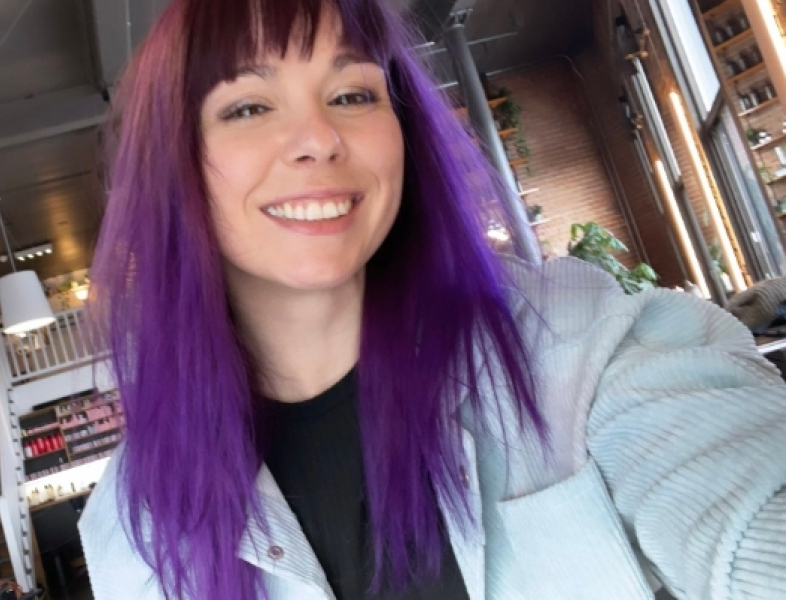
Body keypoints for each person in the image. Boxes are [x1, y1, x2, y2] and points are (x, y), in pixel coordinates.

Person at [78, 0, 786, 598]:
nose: (319, 139)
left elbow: (733, 494)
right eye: (249, 106)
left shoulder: (579, 347)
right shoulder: (132, 526)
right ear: (170, 167)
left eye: (352, 94)